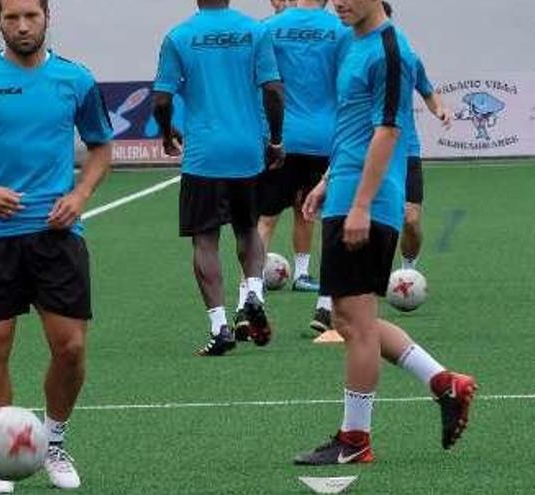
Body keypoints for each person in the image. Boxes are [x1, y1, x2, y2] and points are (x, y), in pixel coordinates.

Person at [0, 0, 113, 492]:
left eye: (30, 15)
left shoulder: (75, 80)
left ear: (47, 16)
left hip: (57, 235)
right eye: (11, 17)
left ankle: (53, 442)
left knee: (71, 348)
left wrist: (79, 195)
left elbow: (101, 149)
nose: (22, 25)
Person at [295, 0, 476, 465]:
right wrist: (328, 180)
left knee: (354, 324)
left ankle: (355, 441)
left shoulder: (390, 51)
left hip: (369, 202)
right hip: (347, 192)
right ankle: (444, 382)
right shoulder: (352, 41)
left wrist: (359, 205)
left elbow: (388, 132)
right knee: (351, 318)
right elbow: (351, 125)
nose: (338, 1)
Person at [153, 0, 285, 356]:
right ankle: (254, 294)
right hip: (246, 152)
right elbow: (273, 90)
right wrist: (275, 140)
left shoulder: (178, 36)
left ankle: (220, 327)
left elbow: (161, 99)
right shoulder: (256, 30)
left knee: (205, 242)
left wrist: (167, 134)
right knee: (248, 229)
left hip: (203, 157)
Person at [259, 0, 352, 334]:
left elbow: (263, 84)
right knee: (323, 215)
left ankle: (250, 300)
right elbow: (349, 85)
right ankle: (325, 306)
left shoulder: (268, 28)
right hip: (327, 137)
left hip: (281, 136)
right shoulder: (341, 29)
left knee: (266, 218)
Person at [382, 1, 453, 271]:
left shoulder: (407, 57)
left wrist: (440, 109)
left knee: (410, 220)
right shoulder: (354, 55)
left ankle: (407, 270)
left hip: (405, 150)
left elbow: (427, 91)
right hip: (366, 150)